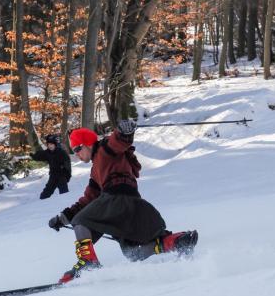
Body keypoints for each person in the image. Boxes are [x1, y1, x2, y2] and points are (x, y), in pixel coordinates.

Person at [48, 121, 198, 283]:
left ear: (88, 144)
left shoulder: (105, 149)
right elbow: (88, 199)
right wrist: (62, 218)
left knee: (81, 221)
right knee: (133, 252)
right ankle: (176, 242)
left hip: (116, 200)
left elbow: (117, 142)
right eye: (74, 151)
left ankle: (88, 263)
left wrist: (123, 132)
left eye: (78, 149)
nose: (77, 154)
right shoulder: (96, 171)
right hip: (134, 206)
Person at [30, 134, 72, 199]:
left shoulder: (61, 152)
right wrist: (33, 156)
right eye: (48, 144)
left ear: (55, 144)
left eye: (51, 144)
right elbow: (40, 155)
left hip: (62, 175)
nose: (50, 146)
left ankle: (66, 203)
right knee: (46, 193)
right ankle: (42, 202)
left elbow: (67, 164)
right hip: (53, 175)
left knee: (64, 193)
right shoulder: (48, 153)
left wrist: (67, 175)